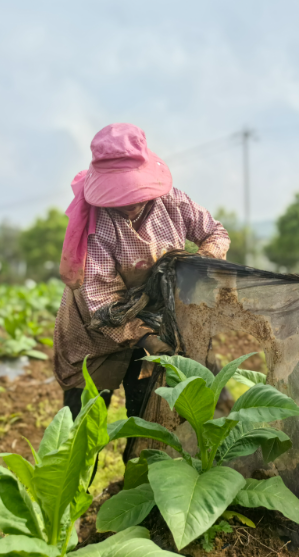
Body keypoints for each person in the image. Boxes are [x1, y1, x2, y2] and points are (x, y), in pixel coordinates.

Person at [53, 123, 230, 462]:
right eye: (119, 197)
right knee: (83, 422)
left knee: (147, 415)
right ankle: (68, 504)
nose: (129, 204)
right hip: (94, 331)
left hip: (151, 323)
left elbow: (214, 232)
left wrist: (204, 259)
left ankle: (138, 488)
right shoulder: (97, 226)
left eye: (134, 195)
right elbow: (103, 306)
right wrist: (148, 339)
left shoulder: (172, 203)